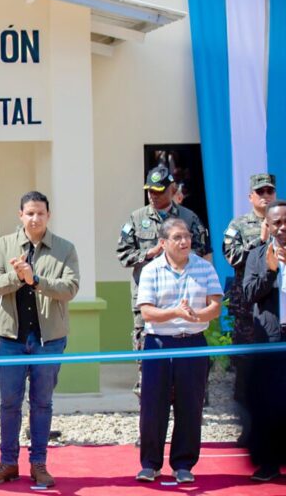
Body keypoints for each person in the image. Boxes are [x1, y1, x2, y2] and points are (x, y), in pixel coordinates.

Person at [0, 191, 79, 488]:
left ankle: (39, 464)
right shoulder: (4, 245)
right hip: (11, 337)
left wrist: (35, 280)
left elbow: (70, 288)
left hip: (48, 339)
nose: (35, 218)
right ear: (20, 215)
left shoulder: (64, 248)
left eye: (40, 213)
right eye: (29, 213)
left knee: (42, 403)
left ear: (48, 215)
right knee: (9, 402)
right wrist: (17, 276)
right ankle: (8, 462)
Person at [134, 218, 222, 484]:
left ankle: (183, 463)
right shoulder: (151, 270)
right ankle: (150, 464)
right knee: (152, 405)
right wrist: (175, 313)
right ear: (163, 243)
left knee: (190, 404)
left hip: (193, 343)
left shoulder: (204, 267)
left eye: (186, 237)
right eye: (177, 238)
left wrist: (197, 317)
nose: (184, 242)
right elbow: (146, 311)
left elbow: (216, 305)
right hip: (159, 344)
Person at [116, 165, 211, 399]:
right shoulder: (137, 219)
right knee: (146, 358)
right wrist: (149, 254)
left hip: (185, 297)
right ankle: (149, 415)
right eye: (150, 190)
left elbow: (203, 252)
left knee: (185, 359)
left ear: (172, 189)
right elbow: (122, 254)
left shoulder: (189, 218)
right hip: (147, 300)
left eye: (159, 190)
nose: (153, 195)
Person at [223, 173, 277, 447]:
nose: (265, 196)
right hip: (248, 309)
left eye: (269, 191)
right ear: (250, 197)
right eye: (260, 192)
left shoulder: (282, 220)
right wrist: (261, 241)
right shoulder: (239, 225)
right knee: (245, 371)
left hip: (276, 309)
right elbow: (231, 256)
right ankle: (248, 430)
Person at [242, 199, 286, 481]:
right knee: (271, 403)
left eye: (285, 222)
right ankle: (269, 464)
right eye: (276, 223)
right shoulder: (257, 256)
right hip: (271, 339)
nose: (281, 228)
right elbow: (248, 295)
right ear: (266, 226)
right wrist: (270, 272)